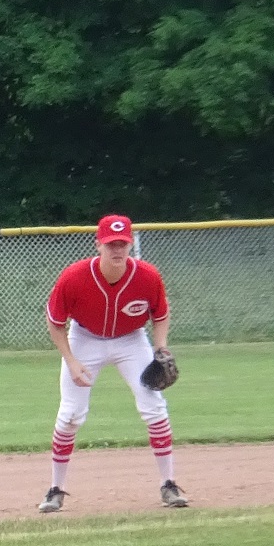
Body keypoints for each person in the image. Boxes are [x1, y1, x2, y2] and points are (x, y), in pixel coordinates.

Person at [38, 213, 185, 513]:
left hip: (131, 340)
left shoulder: (147, 276)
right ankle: (55, 489)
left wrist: (160, 347)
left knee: (154, 406)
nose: (117, 249)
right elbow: (55, 322)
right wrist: (71, 360)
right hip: (85, 338)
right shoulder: (74, 277)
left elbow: (160, 314)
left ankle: (168, 485)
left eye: (122, 243)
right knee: (71, 414)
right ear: (99, 245)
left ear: (130, 245)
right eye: (110, 244)